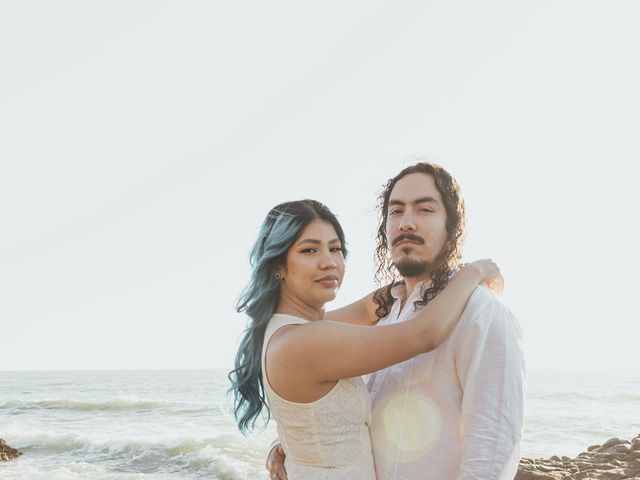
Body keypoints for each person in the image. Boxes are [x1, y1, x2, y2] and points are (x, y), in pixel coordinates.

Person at [267, 163, 525, 480]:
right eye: (396, 211)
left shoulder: (480, 312)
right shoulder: (383, 315)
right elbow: (354, 415)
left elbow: (492, 452)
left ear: (452, 227)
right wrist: (297, 447)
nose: (406, 223)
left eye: (425, 209)